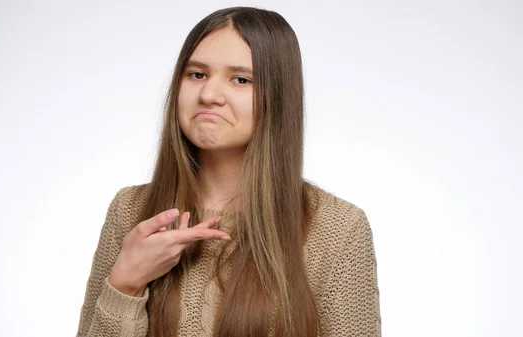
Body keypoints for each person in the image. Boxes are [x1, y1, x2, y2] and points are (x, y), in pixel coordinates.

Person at [76, 6, 380, 337]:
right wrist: (127, 283)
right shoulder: (131, 210)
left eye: (240, 79)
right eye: (197, 74)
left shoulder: (337, 228)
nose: (209, 95)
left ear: (278, 97)